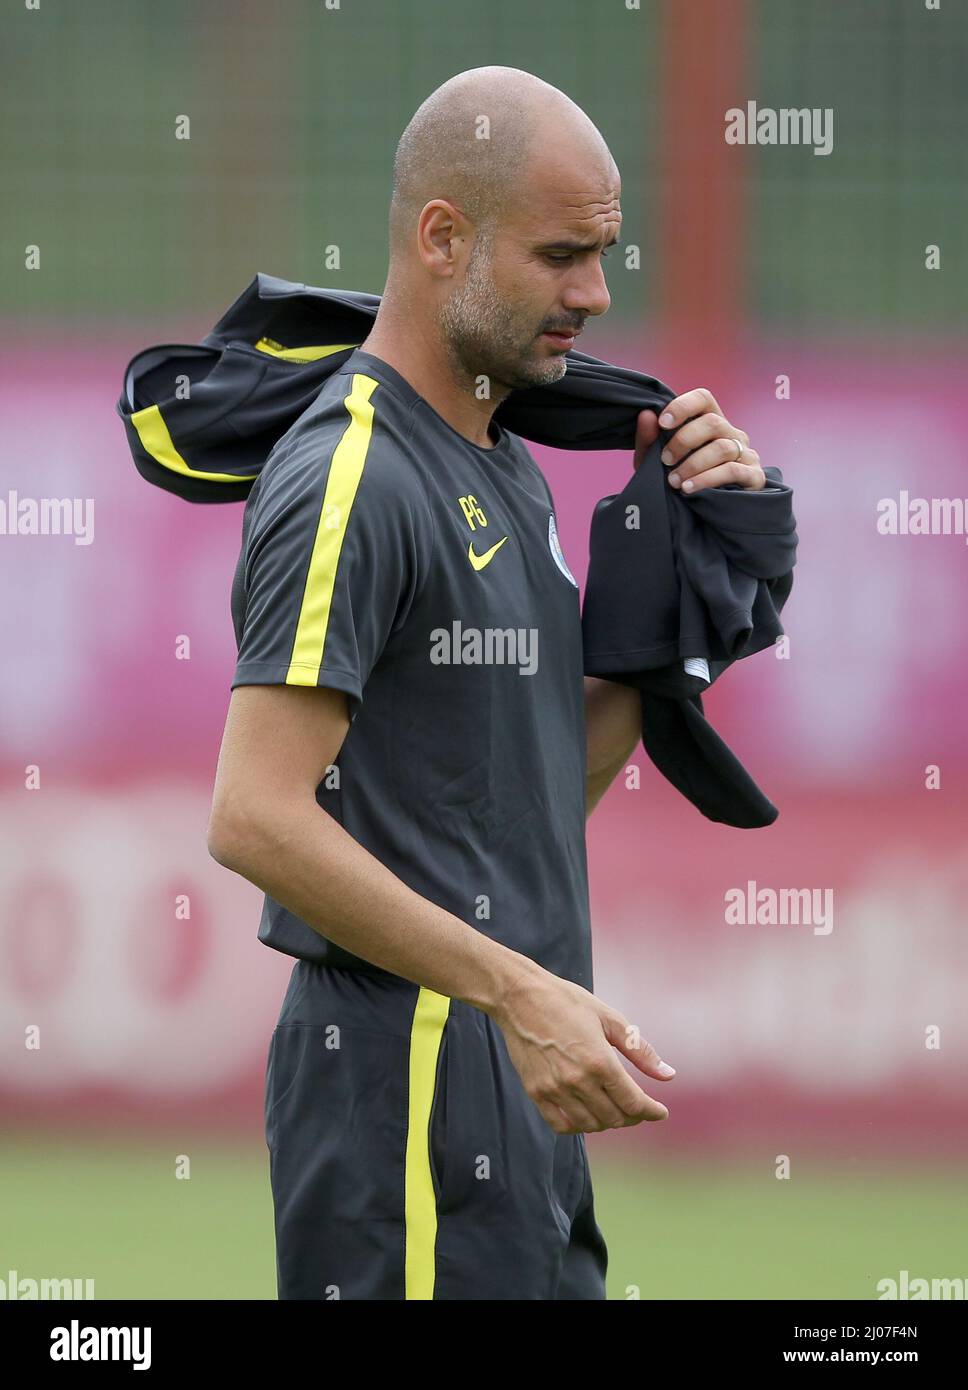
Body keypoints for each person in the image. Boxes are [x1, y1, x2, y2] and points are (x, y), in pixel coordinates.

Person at [207, 65, 765, 1301]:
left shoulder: (503, 460)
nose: (595, 294)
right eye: (561, 256)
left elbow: (528, 797)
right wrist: (519, 991)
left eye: (603, 254)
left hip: (516, 1075)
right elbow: (252, 814)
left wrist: (675, 588)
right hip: (399, 1078)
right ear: (441, 236)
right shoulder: (350, 474)